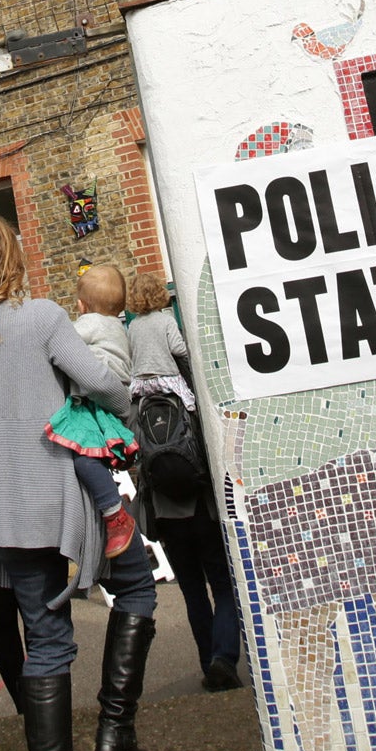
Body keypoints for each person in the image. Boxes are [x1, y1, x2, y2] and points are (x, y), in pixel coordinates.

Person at [0, 217, 159, 751]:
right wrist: (124, 410)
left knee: (46, 639)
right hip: (67, 498)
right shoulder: (40, 317)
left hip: (0, 508)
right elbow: (95, 380)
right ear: (11, 256)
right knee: (137, 587)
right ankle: (114, 734)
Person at [125, 271, 242, 693]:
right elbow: (181, 352)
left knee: (192, 590)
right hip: (201, 505)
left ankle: (206, 656)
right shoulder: (183, 397)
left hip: (166, 512)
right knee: (223, 583)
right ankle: (223, 657)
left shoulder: (137, 403)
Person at [45, 264, 140, 557]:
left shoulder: (91, 323)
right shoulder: (116, 325)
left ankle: (115, 514)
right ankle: (109, 499)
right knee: (93, 458)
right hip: (111, 399)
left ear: (81, 305)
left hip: (94, 403)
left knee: (84, 459)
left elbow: (62, 340)